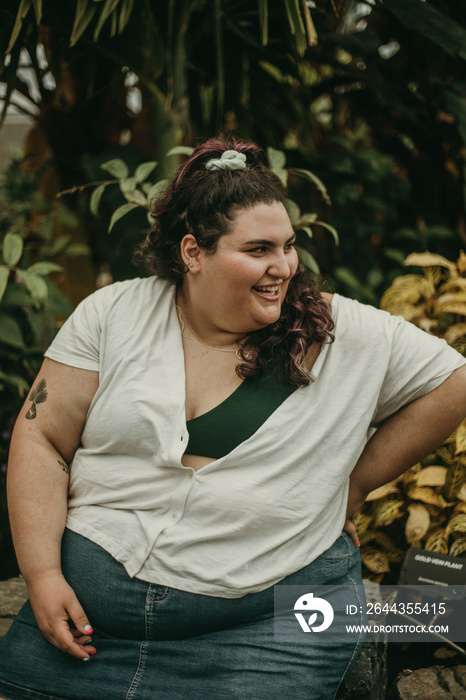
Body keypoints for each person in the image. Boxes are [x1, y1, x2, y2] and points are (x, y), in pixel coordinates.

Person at [0, 135, 465, 700]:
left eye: (288, 246)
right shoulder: (115, 313)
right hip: (95, 632)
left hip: (259, 633)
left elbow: (454, 382)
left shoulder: (342, 334)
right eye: (259, 250)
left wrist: (356, 481)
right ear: (194, 253)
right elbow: (41, 437)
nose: (284, 267)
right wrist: (44, 576)